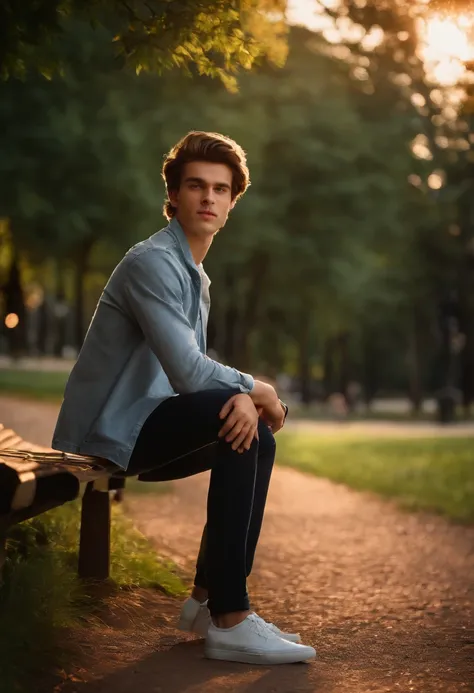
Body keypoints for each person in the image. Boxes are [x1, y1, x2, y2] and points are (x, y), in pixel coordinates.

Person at [52, 131, 316, 665]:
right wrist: (256, 389)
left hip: (140, 422)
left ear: (232, 203)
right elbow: (193, 374)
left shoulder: (194, 273)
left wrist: (240, 399)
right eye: (196, 185)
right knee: (244, 426)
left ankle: (204, 600)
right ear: (173, 195)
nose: (208, 198)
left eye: (221, 190)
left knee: (252, 436)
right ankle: (231, 617)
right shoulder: (151, 263)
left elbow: (188, 376)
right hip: (110, 431)